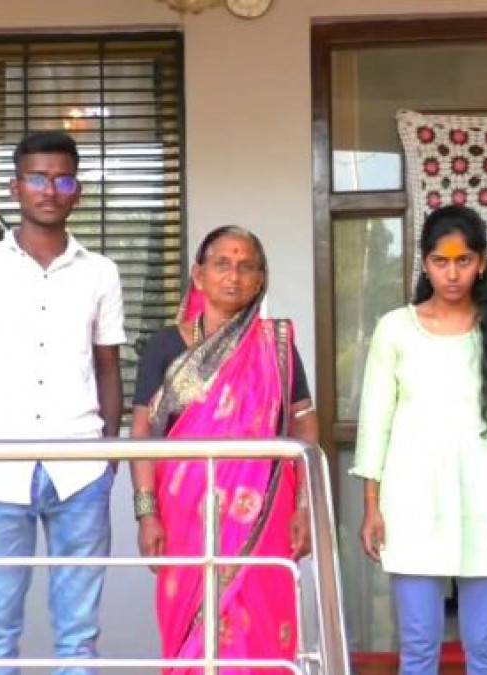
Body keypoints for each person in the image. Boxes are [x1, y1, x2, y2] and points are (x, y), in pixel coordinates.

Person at [0, 130, 125, 675]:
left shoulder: (101, 272)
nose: (51, 189)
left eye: (63, 179)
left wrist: (107, 458)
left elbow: (109, 368)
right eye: (39, 178)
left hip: (80, 472)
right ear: (15, 186)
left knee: (80, 635)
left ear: (78, 191)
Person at [351, 205, 487, 675]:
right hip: (411, 502)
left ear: (482, 263)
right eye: (441, 261)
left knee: (486, 650)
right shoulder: (395, 328)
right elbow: (375, 422)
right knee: (418, 650)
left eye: (463, 261)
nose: (452, 273)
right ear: (424, 263)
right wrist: (371, 504)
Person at [129, 225, 318, 674]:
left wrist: (306, 505)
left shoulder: (277, 345)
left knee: (263, 626)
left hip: (263, 515)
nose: (233, 276)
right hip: (184, 516)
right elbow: (143, 432)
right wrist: (146, 510)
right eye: (222, 264)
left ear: (260, 278)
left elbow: (304, 424)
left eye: (246, 266)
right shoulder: (165, 345)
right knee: (192, 635)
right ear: (198, 274)